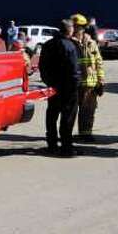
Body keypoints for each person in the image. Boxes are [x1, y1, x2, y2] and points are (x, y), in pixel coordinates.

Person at [37, 19, 82, 157]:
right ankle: (66, 147)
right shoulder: (70, 46)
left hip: (54, 86)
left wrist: (49, 82)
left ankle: (51, 144)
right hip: (68, 87)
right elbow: (75, 69)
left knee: (52, 114)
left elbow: (42, 66)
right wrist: (76, 85)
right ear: (70, 30)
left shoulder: (48, 44)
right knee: (68, 116)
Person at [70, 13, 105, 142]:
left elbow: (99, 62)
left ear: (83, 28)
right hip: (74, 83)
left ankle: (85, 134)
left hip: (89, 83)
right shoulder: (69, 42)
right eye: (74, 26)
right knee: (71, 111)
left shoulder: (91, 43)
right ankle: (67, 134)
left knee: (88, 110)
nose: (75, 29)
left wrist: (101, 81)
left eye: (78, 27)